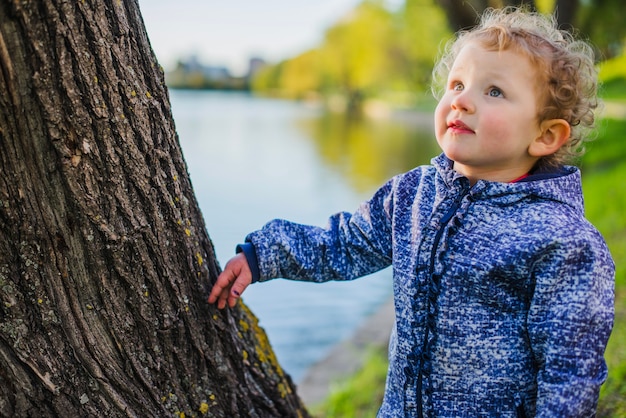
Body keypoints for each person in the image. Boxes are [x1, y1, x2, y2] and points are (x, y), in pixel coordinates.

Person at [208, 7, 615, 417]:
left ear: (545, 136)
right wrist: (264, 254)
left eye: (493, 92)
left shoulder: (561, 240)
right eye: (457, 84)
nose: (462, 101)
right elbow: (347, 243)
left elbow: (570, 370)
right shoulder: (412, 194)